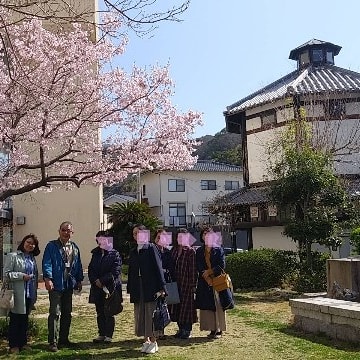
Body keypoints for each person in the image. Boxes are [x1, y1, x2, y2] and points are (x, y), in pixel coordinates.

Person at [42, 221, 84, 352]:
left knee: (67, 313)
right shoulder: (51, 246)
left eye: (69, 231)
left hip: (68, 285)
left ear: (72, 232)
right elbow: (47, 262)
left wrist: (79, 280)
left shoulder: (75, 247)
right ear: (59, 231)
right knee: (54, 312)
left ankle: (64, 339)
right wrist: (48, 279)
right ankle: (52, 342)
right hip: (56, 284)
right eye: (63, 230)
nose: (66, 233)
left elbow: (78, 265)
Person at [127, 224, 167, 354]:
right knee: (141, 314)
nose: (136, 235)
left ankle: (154, 341)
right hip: (138, 286)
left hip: (150, 286)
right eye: (134, 233)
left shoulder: (151, 248)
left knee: (151, 313)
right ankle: (146, 341)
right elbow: (131, 271)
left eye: (139, 233)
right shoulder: (134, 251)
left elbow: (158, 268)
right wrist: (130, 288)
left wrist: (162, 288)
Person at [3, 234, 40, 354]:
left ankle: (23, 343)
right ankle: (13, 345)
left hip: (29, 293)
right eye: (28, 242)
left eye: (33, 244)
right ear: (23, 242)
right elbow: (6, 274)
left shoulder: (32, 258)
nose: (30, 245)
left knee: (24, 319)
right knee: (15, 320)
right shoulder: (13, 256)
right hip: (17, 292)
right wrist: (21, 276)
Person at [88, 230, 123, 343]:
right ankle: (101, 333)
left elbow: (115, 271)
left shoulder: (114, 254)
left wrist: (103, 280)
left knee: (109, 311)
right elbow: (91, 269)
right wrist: (95, 280)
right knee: (99, 311)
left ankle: (109, 335)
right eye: (98, 239)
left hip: (110, 288)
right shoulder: (95, 253)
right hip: (97, 287)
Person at [195, 226, 227, 339]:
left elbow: (221, 265)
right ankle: (212, 329)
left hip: (218, 281)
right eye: (204, 234)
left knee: (218, 305)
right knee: (208, 306)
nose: (206, 236)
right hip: (205, 282)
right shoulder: (199, 251)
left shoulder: (218, 249)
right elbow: (198, 265)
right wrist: (206, 277)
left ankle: (219, 329)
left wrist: (210, 272)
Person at [169, 228, 198, 339]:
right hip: (176, 283)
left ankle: (187, 330)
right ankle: (181, 329)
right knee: (177, 307)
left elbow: (193, 270)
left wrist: (193, 285)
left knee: (187, 308)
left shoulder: (190, 251)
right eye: (179, 237)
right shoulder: (174, 250)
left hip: (187, 284)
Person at [153, 228, 175, 340]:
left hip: (165, 283)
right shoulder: (151, 251)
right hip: (153, 283)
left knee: (163, 307)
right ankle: (155, 331)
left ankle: (161, 331)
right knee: (154, 308)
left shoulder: (167, 252)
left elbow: (171, 268)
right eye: (158, 237)